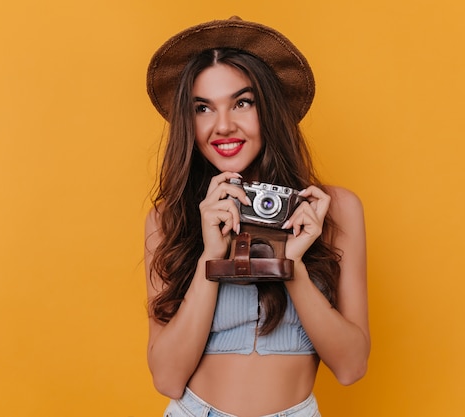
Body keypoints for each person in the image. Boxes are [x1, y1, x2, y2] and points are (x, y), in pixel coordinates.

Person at [144, 16, 370, 417]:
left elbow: (351, 368)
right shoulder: (170, 219)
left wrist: (292, 264)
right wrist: (210, 257)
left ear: (269, 109)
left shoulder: (333, 211)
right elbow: (167, 379)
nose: (223, 125)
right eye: (203, 108)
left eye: (242, 102)